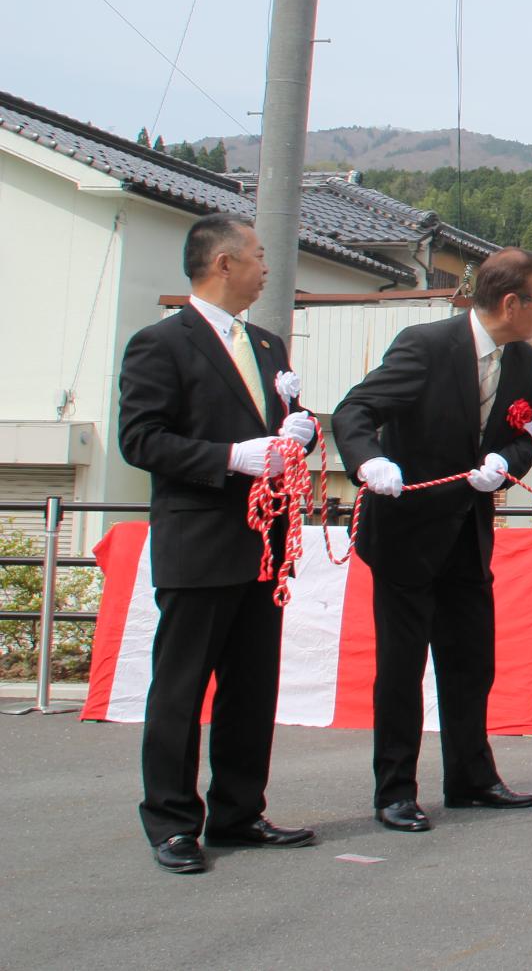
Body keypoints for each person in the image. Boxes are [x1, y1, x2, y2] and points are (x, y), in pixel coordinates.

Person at [117, 213, 320, 874]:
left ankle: (239, 809)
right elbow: (142, 439)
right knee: (181, 687)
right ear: (223, 263)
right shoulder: (162, 343)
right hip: (200, 538)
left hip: (264, 543)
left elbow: (281, 424)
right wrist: (231, 456)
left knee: (251, 686)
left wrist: (300, 432)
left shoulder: (266, 345)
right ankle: (173, 820)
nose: (267, 267)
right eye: (259, 256)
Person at [330, 247, 532, 831]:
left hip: (468, 533)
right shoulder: (426, 345)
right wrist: (368, 463)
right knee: (401, 668)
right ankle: (396, 789)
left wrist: (505, 461)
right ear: (511, 303)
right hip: (407, 533)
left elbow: (529, 436)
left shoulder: (523, 360)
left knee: (471, 661)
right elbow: (354, 410)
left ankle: (471, 777)